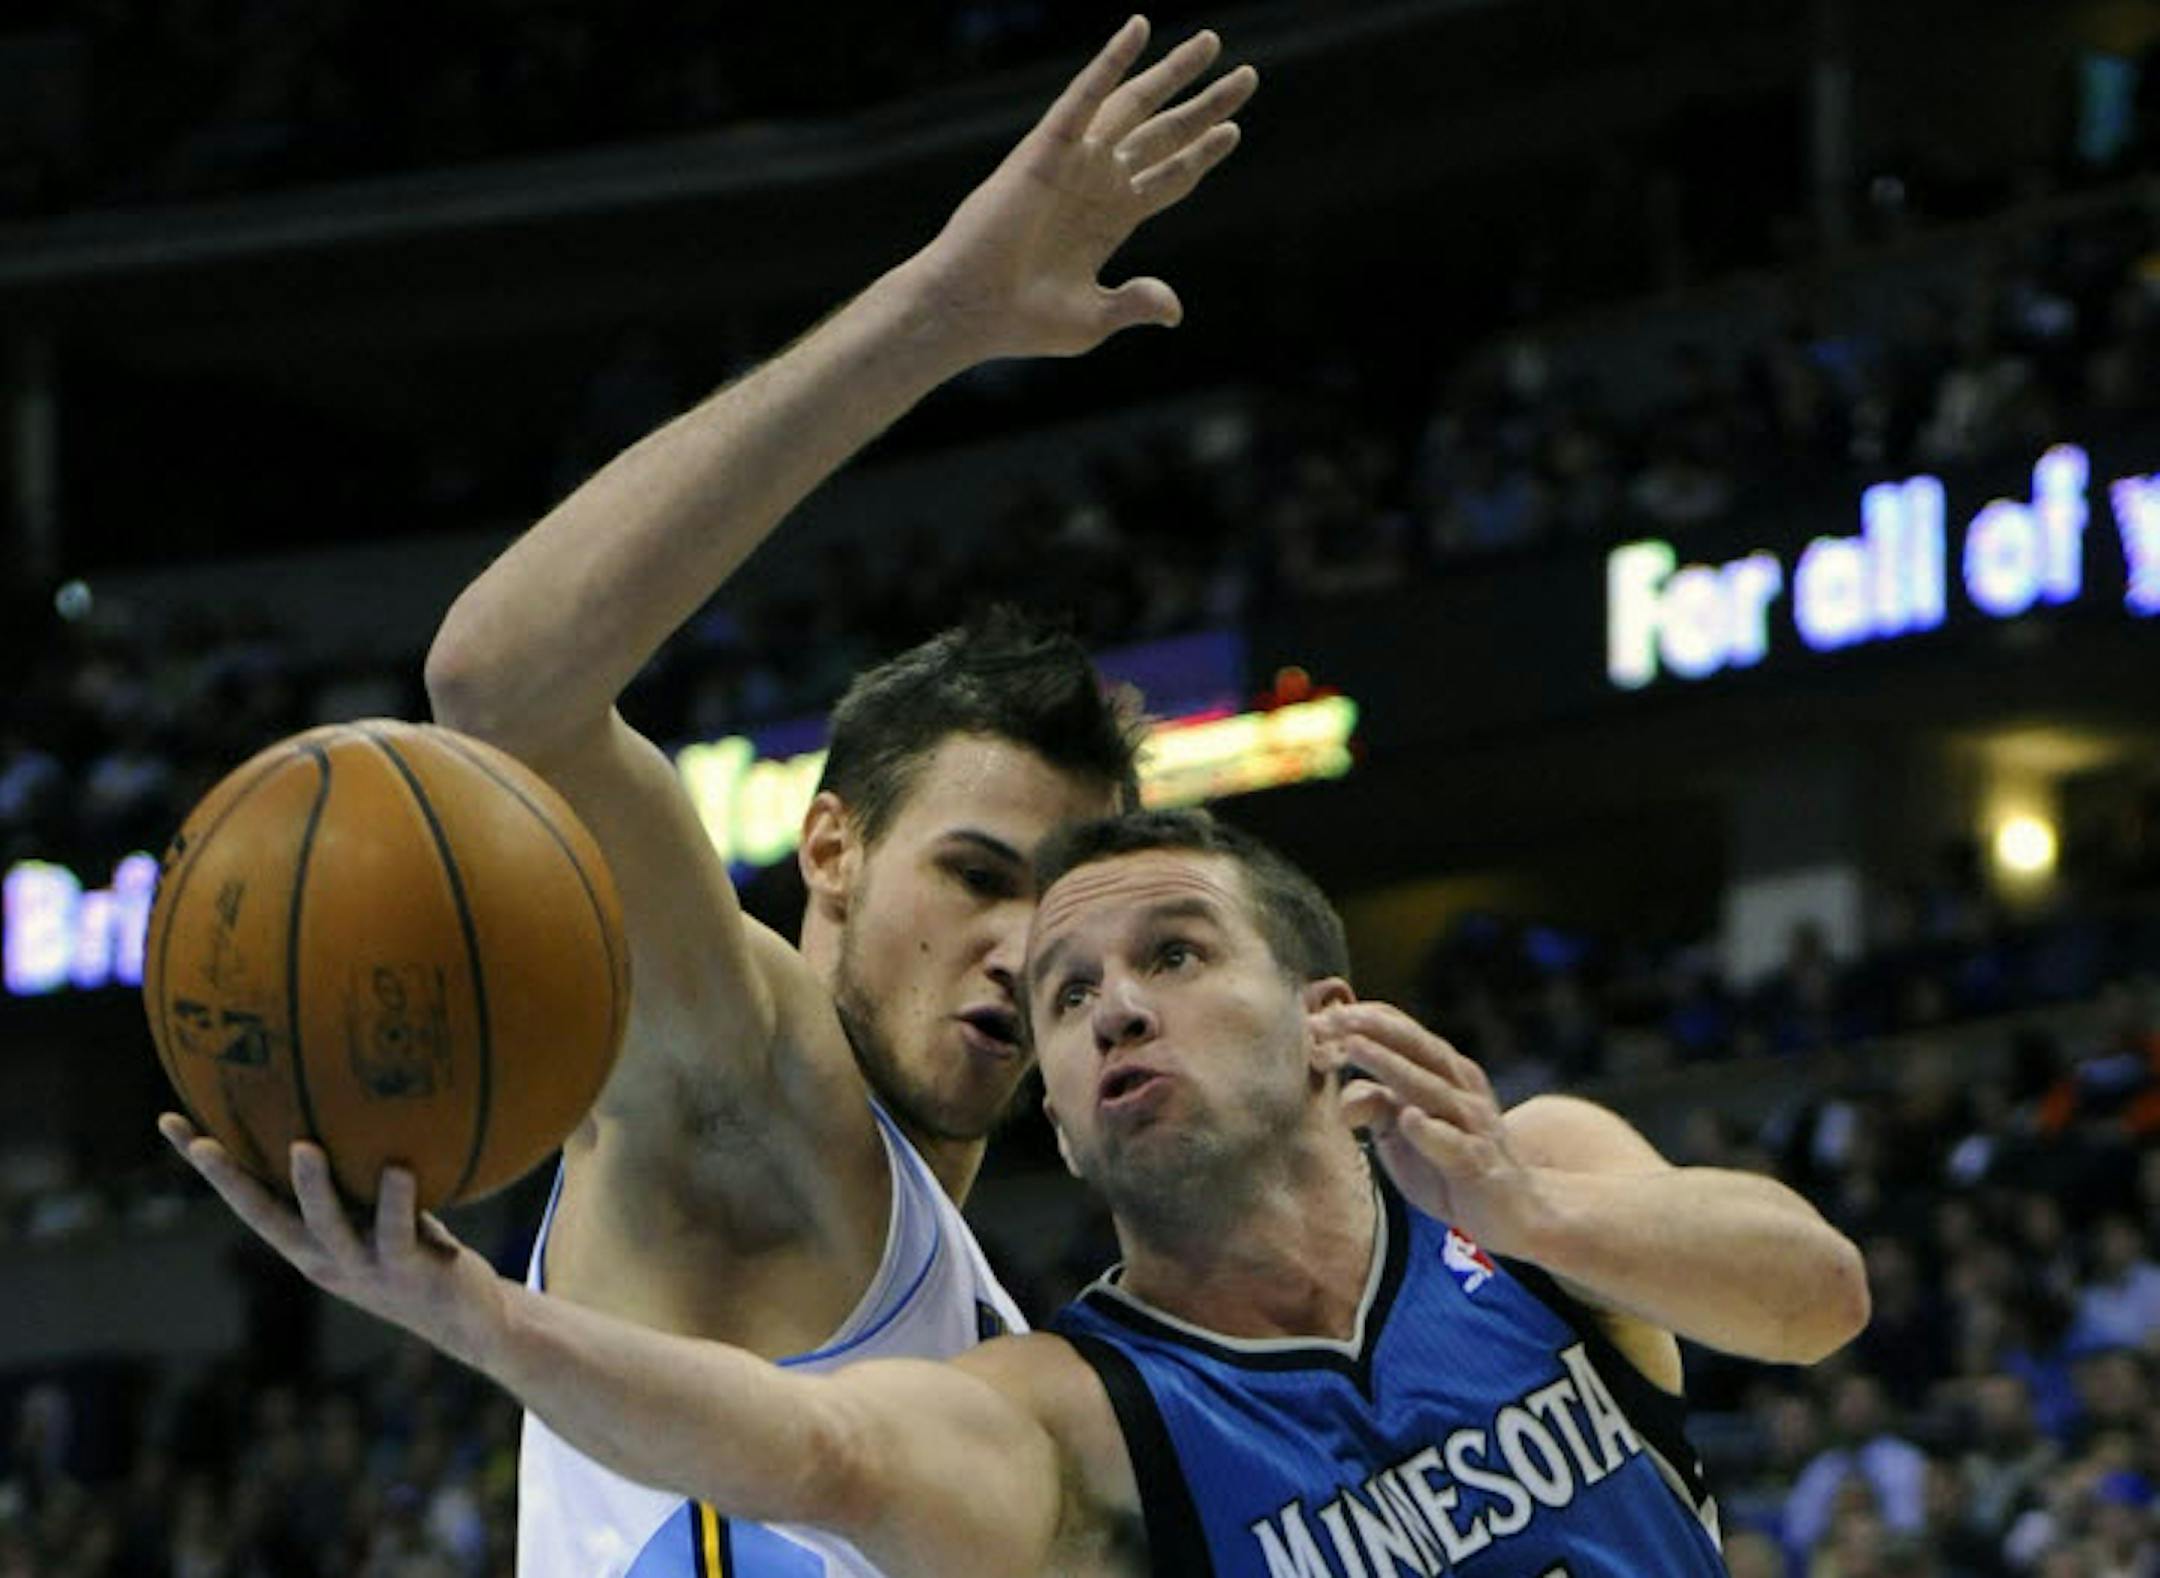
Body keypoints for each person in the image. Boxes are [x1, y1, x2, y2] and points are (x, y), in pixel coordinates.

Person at [411, 17, 1256, 1573]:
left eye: (1060, 908)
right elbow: (498, 686)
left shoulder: (981, 1316)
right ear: (832, 847)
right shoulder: (756, 1079)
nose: (1025, 950)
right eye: (979, 874)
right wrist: (936, 314)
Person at [165, 807, 1872, 1576]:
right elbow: (810, 1444)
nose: (1114, 1001)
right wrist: (469, 1312)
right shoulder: (1072, 1420)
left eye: (1175, 953)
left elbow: (1816, 1293)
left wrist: (1546, 1214)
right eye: (1066, 996)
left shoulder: (1545, 1188)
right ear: (1056, 1110)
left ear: (1321, 1017)